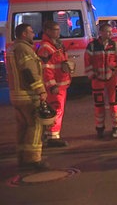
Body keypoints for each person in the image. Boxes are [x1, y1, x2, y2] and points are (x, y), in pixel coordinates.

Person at [6, 23, 50, 171]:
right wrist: (40, 90)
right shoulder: (24, 49)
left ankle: (22, 157)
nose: (33, 34)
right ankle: (33, 160)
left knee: (22, 127)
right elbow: (29, 72)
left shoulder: (13, 48)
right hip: (28, 96)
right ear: (24, 34)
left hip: (16, 95)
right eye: (31, 32)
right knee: (35, 126)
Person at [36, 20, 72, 148]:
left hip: (61, 84)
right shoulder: (46, 47)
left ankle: (49, 134)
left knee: (57, 109)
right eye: (55, 30)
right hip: (56, 86)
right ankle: (53, 137)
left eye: (58, 29)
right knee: (56, 110)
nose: (58, 32)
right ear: (47, 31)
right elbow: (46, 69)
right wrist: (52, 86)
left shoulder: (56, 44)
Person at [85, 23, 117, 139]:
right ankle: (100, 128)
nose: (110, 34)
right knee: (99, 105)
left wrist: (116, 69)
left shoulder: (115, 45)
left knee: (114, 104)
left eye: (111, 31)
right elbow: (87, 62)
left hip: (112, 79)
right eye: (107, 31)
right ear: (101, 32)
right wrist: (92, 75)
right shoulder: (92, 46)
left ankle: (116, 128)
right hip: (98, 80)